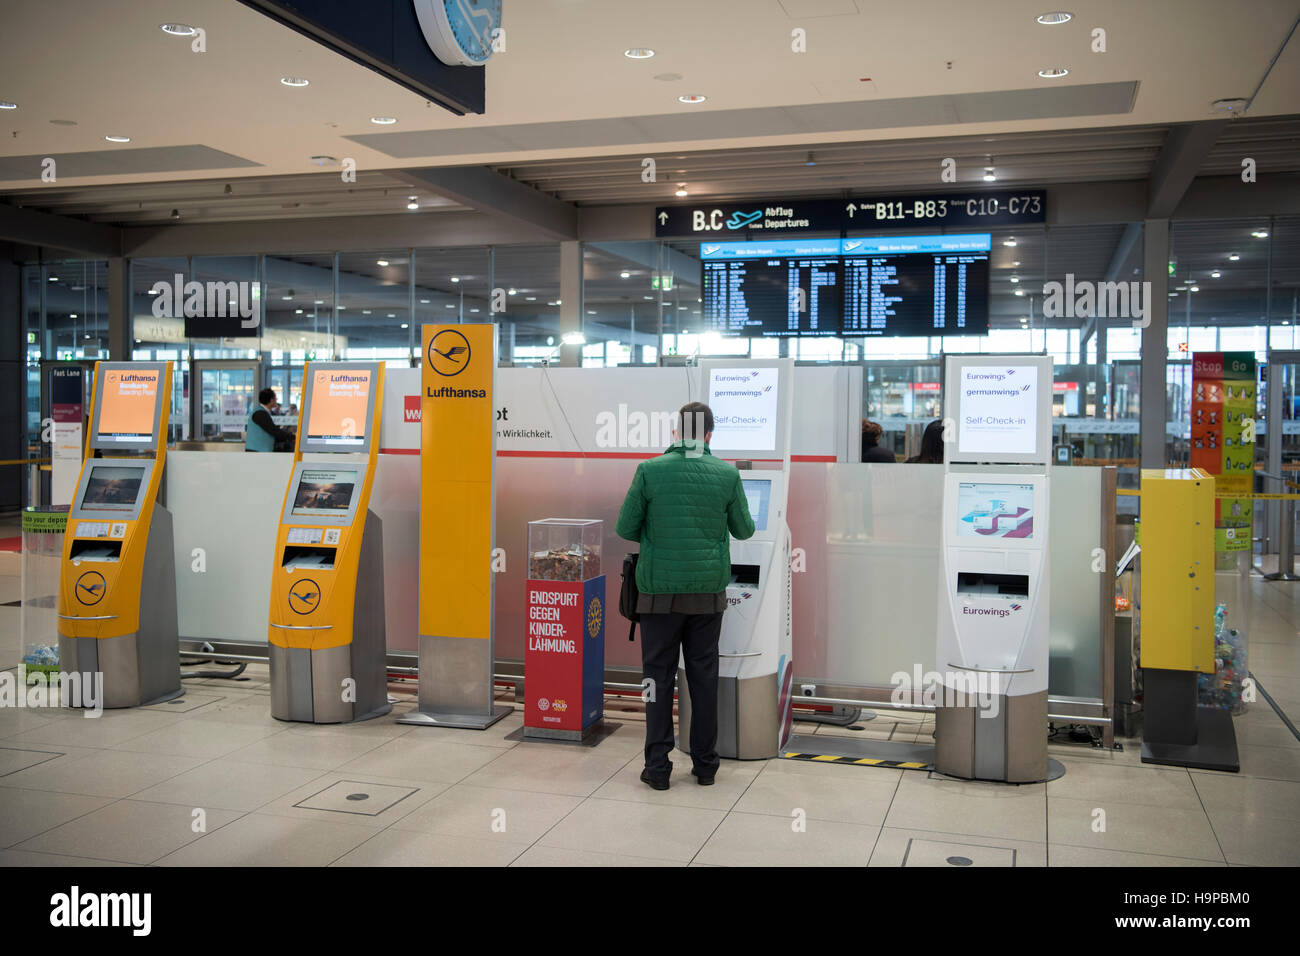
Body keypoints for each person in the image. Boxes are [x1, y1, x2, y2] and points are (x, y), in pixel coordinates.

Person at [616, 401, 755, 791]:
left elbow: (626, 526)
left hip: (658, 597)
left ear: (676, 432)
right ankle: (706, 765)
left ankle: (658, 768)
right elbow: (743, 531)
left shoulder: (649, 471)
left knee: (656, 681)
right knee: (703, 678)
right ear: (709, 435)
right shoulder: (727, 475)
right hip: (707, 595)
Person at [245, 388, 294, 452]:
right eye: (275, 398)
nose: (276, 400)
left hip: (259, 450)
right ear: (271, 400)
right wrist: (290, 437)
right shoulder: (260, 413)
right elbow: (273, 430)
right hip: (256, 451)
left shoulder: (261, 411)